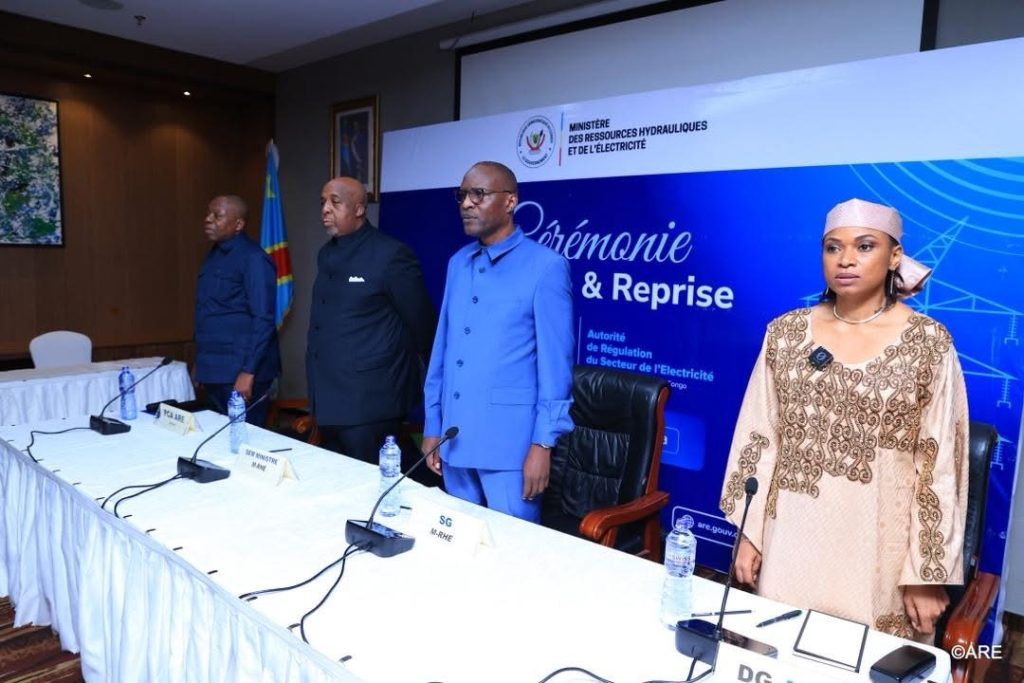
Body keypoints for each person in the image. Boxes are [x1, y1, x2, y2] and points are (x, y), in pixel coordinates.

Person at [719, 198, 968, 642]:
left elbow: (940, 463)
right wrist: (750, 534)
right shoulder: (785, 333)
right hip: (789, 544)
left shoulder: (929, 344)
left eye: (865, 246)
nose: (846, 259)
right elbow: (759, 435)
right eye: (833, 247)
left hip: (878, 552)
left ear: (894, 256)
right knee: (775, 651)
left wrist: (927, 573)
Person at [421, 161, 575, 522]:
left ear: (510, 202)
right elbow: (442, 352)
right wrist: (432, 424)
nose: (466, 203)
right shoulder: (458, 263)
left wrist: (543, 444)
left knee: (512, 550)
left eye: (479, 194)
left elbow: (556, 369)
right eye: (462, 195)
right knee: (458, 545)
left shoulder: (546, 267)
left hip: (510, 450)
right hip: (454, 441)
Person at [306, 176, 435, 468]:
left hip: (370, 401)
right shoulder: (326, 253)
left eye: (335, 202)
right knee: (336, 481)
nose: (325, 209)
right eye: (323, 202)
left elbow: (422, 324)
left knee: (370, 484)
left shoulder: (391, 255)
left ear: (360, 208)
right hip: (327, 396)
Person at [194, 194, 280, 425]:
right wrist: (201, 363)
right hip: (215, 368)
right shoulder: (213, 255)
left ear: (238, 224)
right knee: (218, 438)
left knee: (244, 439)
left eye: (217, 216)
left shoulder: (253, 258)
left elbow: (263, 318)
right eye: (208, 214)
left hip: (241, 371)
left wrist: (248, 372)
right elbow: (208, 312)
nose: (208, 219)